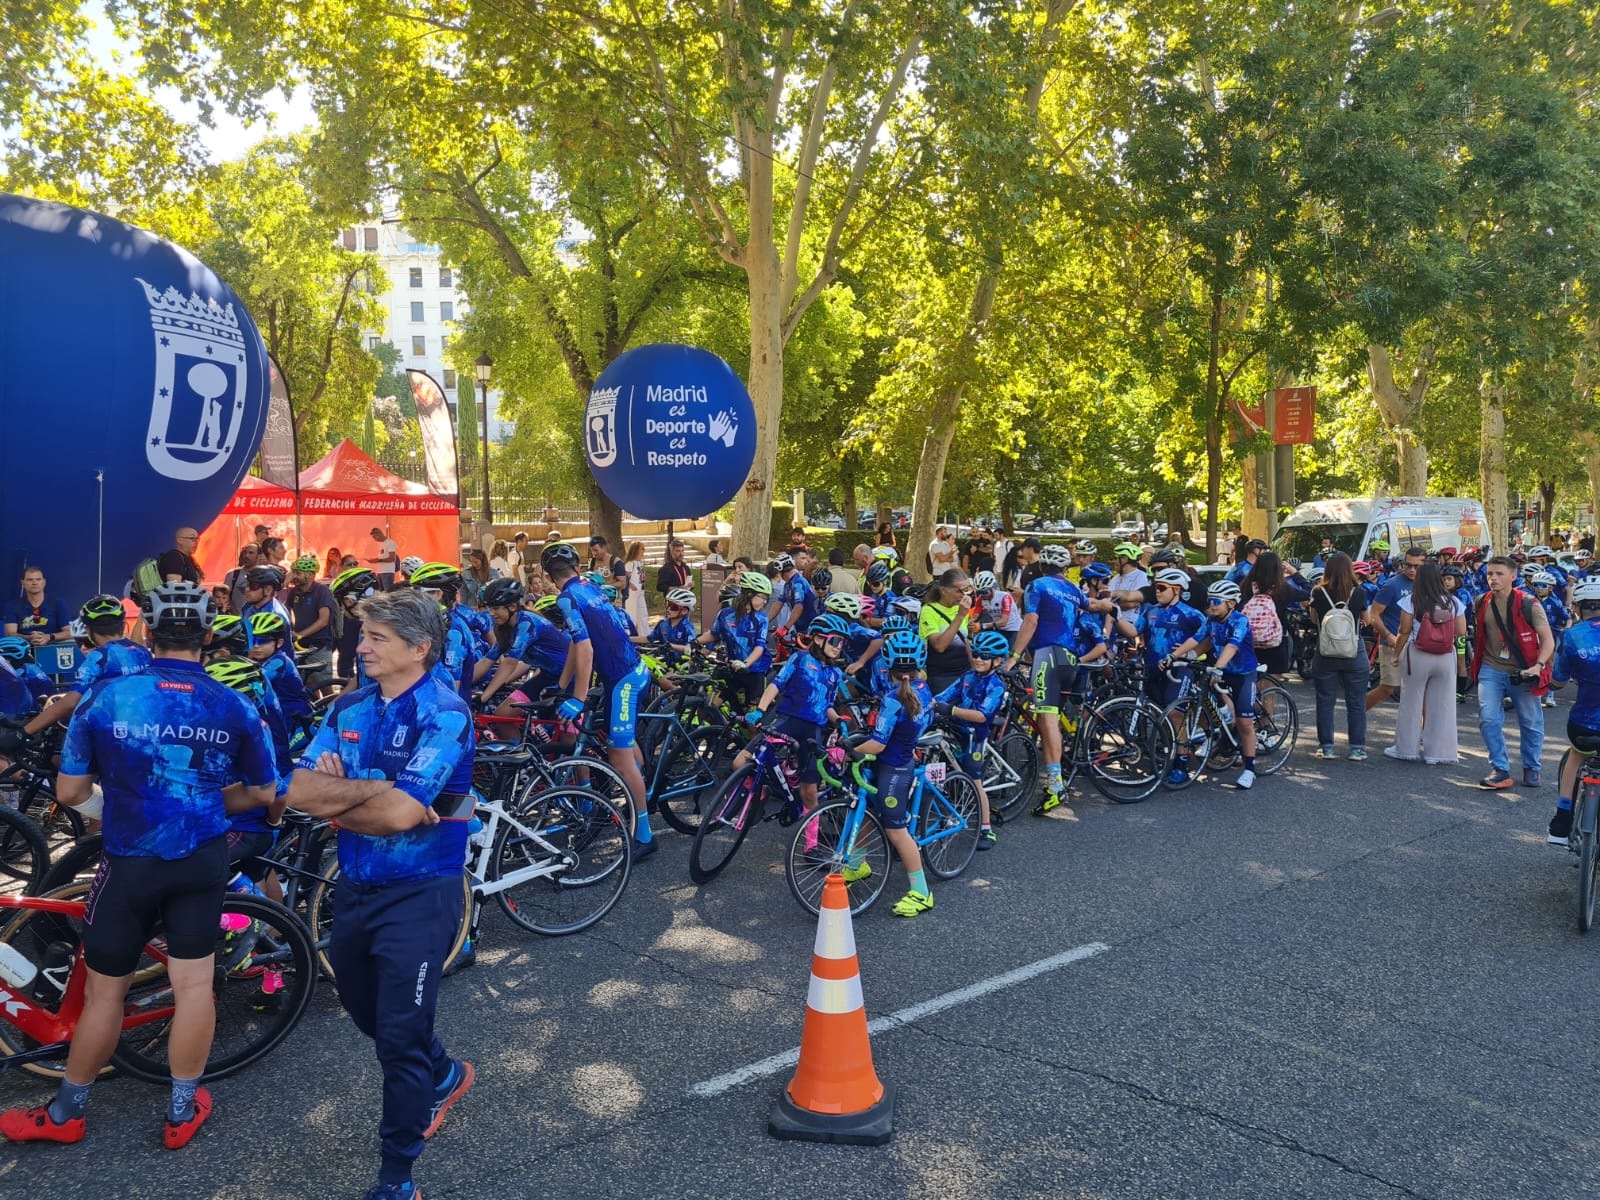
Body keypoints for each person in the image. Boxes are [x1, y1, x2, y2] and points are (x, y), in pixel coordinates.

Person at [1, 584, 277, 1150]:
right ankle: (180, 1112)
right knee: (195, 987)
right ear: (206, 637)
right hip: (202, 856)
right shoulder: (234, 703)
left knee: (105, 994)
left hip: (129, 860)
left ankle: (66, 1114)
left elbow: (72, 791)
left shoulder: (107, 696)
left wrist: (132, 799)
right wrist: (194, 797)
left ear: (146, 632)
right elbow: (264, 793)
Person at [286, 589, 476, 1200]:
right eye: (362, 635)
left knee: (397, 1036)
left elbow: (398, 816)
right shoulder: (349, 708)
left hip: (422, 892)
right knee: (363, 1007)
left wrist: (350, 799)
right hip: (357, 886)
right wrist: (384, 794)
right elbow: (298, 791)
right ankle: (442, 1072)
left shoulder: (444, 712)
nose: (359, 646)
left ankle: (397, 1177)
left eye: (375, 639)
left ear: (419, 649)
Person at [545, 542, 657, 859]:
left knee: (618, 758)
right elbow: (575, 645)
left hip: (623, 679)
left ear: (548, 575)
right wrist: (562, 684)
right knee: (619, 747)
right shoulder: (588, 585)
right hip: (626, 672)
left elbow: (586, 650)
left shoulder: (566, 598)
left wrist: (577, 698)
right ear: (578, 568)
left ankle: (645, 836)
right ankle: (639, 782)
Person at [842, 629, 935, 917]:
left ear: (888, 663)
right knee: (870, 809)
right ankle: (857, 864)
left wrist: (846, 749)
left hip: (894, 766)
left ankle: (921, 893)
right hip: (902, 757)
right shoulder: (922, 689)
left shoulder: (893, 699)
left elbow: (878, 744)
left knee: (895, 830)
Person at [741, 613, 847, 834]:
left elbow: (827, 706)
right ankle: (762, 791)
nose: (839, 647)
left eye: (842, 643)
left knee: (809, 791)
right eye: (836, 640)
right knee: (740, 762)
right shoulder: (800, 658)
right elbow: (776, 685)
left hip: (812, 731)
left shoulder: (836, 673)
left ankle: (811, 845)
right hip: (787, 721)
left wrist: (838, 720)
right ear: (819, 639)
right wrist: (760, 710)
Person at [1003, 542, 1088, 813]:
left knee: (1047, 717)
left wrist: (1014, 657)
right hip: (1070, 657)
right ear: (1065, 568)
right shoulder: (1074, 589)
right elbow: (1090, 605)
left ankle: (1054, 786)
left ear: (1041, 565)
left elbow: (1031, 621)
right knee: (1053, 716)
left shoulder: (1037, 585)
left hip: (1047, 655)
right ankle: (1061, 769)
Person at [0, 595, 152, 744]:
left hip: (113, 734)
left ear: (88, 629)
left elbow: (71, 703)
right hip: (148, 729)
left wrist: (23, 732)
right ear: (124, 624)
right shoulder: (142, 652)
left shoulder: (99, 657)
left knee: (59, 757)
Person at [1469, 556, 1555, 790]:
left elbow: (1548, 640)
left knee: (1530, 722)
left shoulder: (1529, 604)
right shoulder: (1481, 602)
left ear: (1513, 576)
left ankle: (1532, 767)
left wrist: (1538, 665)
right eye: (1489, 574)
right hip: (1491, 667)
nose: (1493, 578)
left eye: (1499, 574)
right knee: (1488, 719)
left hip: (1524, 670)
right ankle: (1500, 769)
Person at [1165, 579, 1260, 789]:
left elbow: (1232, 647)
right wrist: (1173, 656)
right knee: (1203, 700)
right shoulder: (1211, 621)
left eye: (1217, 601)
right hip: (1221, 670)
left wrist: (1217, 666)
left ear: (1231, 604)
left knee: (1245, 722)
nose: (1212, 605)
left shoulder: (1240, 621)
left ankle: (1250, 769)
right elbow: (1195, 640)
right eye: (1210, 601)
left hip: (1242, 674)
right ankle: (1218, 734)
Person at [933, 629, 1010, 850]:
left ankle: (986, 828)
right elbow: (945, 696)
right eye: (975, 653)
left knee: (975, 779)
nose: (977, 659)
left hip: (975, 735)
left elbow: (982, 715)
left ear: (997, 660)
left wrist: (952, 710)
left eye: (984, 656)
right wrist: (923, 705)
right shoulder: (968, 676)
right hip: (956, 730)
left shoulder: (996, 685)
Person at [1386, 561, 1467, 765]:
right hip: (1445, 655)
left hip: (1418, 654)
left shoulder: (1411, 601)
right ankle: (1439, 753)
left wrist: (1396, 654)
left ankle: (1406, 749)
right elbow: (1461, 631)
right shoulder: (1454, 602)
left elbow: (1404, 631)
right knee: (1443, 705)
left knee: (1411, 703)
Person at [1547, 577, 1600, 843]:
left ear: (1577, 608)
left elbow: (1557, 681)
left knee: (1576, 758)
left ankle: (1562, 820)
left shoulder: (1571, 636)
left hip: (1584, 723)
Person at [1307, 553, 1371, 761]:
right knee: (1356, 702)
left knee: (1325, 700)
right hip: (1354, 650)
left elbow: (1313, 619)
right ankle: (1357, 748)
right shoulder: (1359, 592)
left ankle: (1327, 747)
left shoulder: (1318, 592)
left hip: (1326, 651)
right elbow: (1367, 620)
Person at [698, 571, 772, 711]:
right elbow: (714, 635)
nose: (765, 602)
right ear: (749, 594)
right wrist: (694, 642)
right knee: (708, 707)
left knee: (751, 723)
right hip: (731, 669)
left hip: (754, 671)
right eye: (762, 597)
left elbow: (759, 647)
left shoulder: (761, 618)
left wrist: (745, 663)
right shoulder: (726, 614)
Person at [1367, 547, 1424, 710]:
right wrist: (1388, 635)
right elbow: (1374, 615)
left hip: (1420, 647)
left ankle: (1424, 731)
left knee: (1421, 691)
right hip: (1392, 644)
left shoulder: (1428, 585)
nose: (1412, 570)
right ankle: (1357, 714)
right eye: (1408, 565)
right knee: (1388, 688)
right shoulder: (1391, 585)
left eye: (1417, 566)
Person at [919, 569, 974, 695]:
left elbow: (964, 639)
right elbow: (939, 646)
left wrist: (974, 667)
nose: (964, 595)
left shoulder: (960, 608)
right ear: (944, 590)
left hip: (964, 671)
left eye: (967, 590)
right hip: (941, 675)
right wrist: (960, 616)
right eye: (960, 591)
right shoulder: (929, 610)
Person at [286, 555, 337, 686]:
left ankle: (330, 706)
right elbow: (286, 610)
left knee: (323, 684)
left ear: (310, 574)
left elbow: (323, 620)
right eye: (294, 573)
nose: (294, 576)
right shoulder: (295, 592)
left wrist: (300, 634)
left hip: (319, 644)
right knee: (307, 685)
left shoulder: (321, 591)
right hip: (301, 645)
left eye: (298, 573)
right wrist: (290, 628)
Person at [331, 567, 380, 683]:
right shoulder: (366, 628)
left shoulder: (386, 632)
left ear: (349, 601)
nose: (340, 610)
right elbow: (360, 679)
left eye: (340, 605)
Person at [3, 566, 73, 644]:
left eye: (38, 579)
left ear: (44, 582)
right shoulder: (12, 605)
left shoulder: (58, 603)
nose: (34, 583)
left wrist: (48, 637)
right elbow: (10, 634)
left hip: (52, 646)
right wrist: (30, 638)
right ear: (23, 583)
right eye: (30, 580)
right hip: (24, 647)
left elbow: (69, 632)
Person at [224, 544, 261, 615]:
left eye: (251, 553)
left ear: (258, 556)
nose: (246, 556)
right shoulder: (232, 574)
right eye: (245, 553)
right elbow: (225, 597)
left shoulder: (264, 575)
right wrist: (238, 616)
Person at [623, 542, 649, 632]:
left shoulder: (640, 563)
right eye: (642, 548)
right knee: (632, 615)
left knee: (643, 615)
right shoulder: (630, 563)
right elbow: (625, 577)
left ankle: (644, 635)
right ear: (636, 550)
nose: (643, 551)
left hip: (640, 592)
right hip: (632, 593)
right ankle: (630, 635)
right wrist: (630, 585)